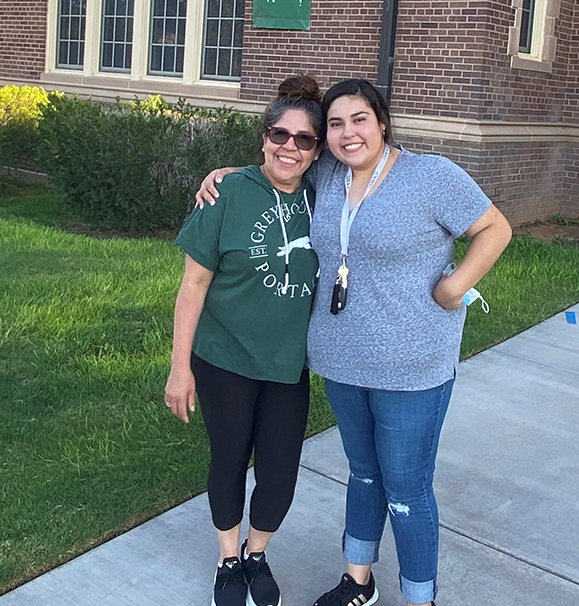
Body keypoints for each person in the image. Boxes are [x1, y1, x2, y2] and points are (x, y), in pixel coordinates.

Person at [196, 79, 512, 606]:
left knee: (407, 492)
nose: (347, 133)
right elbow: (280, 167)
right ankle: (358, 581)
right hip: (341, 360)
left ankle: (420, 597)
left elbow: (495, 228)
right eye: (336, 124)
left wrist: (455, 287)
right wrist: (226, 176)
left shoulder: (429, 175)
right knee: (364, 477)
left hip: (412, 367)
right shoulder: (329, 172)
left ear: (382, 122)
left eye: (359, 119)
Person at [164, 75, 324, 606]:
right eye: (280, 134)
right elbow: (193, 284)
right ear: (263, 136)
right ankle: (228, 559)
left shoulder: (324, 199)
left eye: (304, 139)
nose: (289, 147)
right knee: (229, 459)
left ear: (317, 150)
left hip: (287, 364)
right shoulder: (227, 193)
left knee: (279, 474)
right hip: (223, 357)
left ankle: (258, 553)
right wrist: (179, 367)